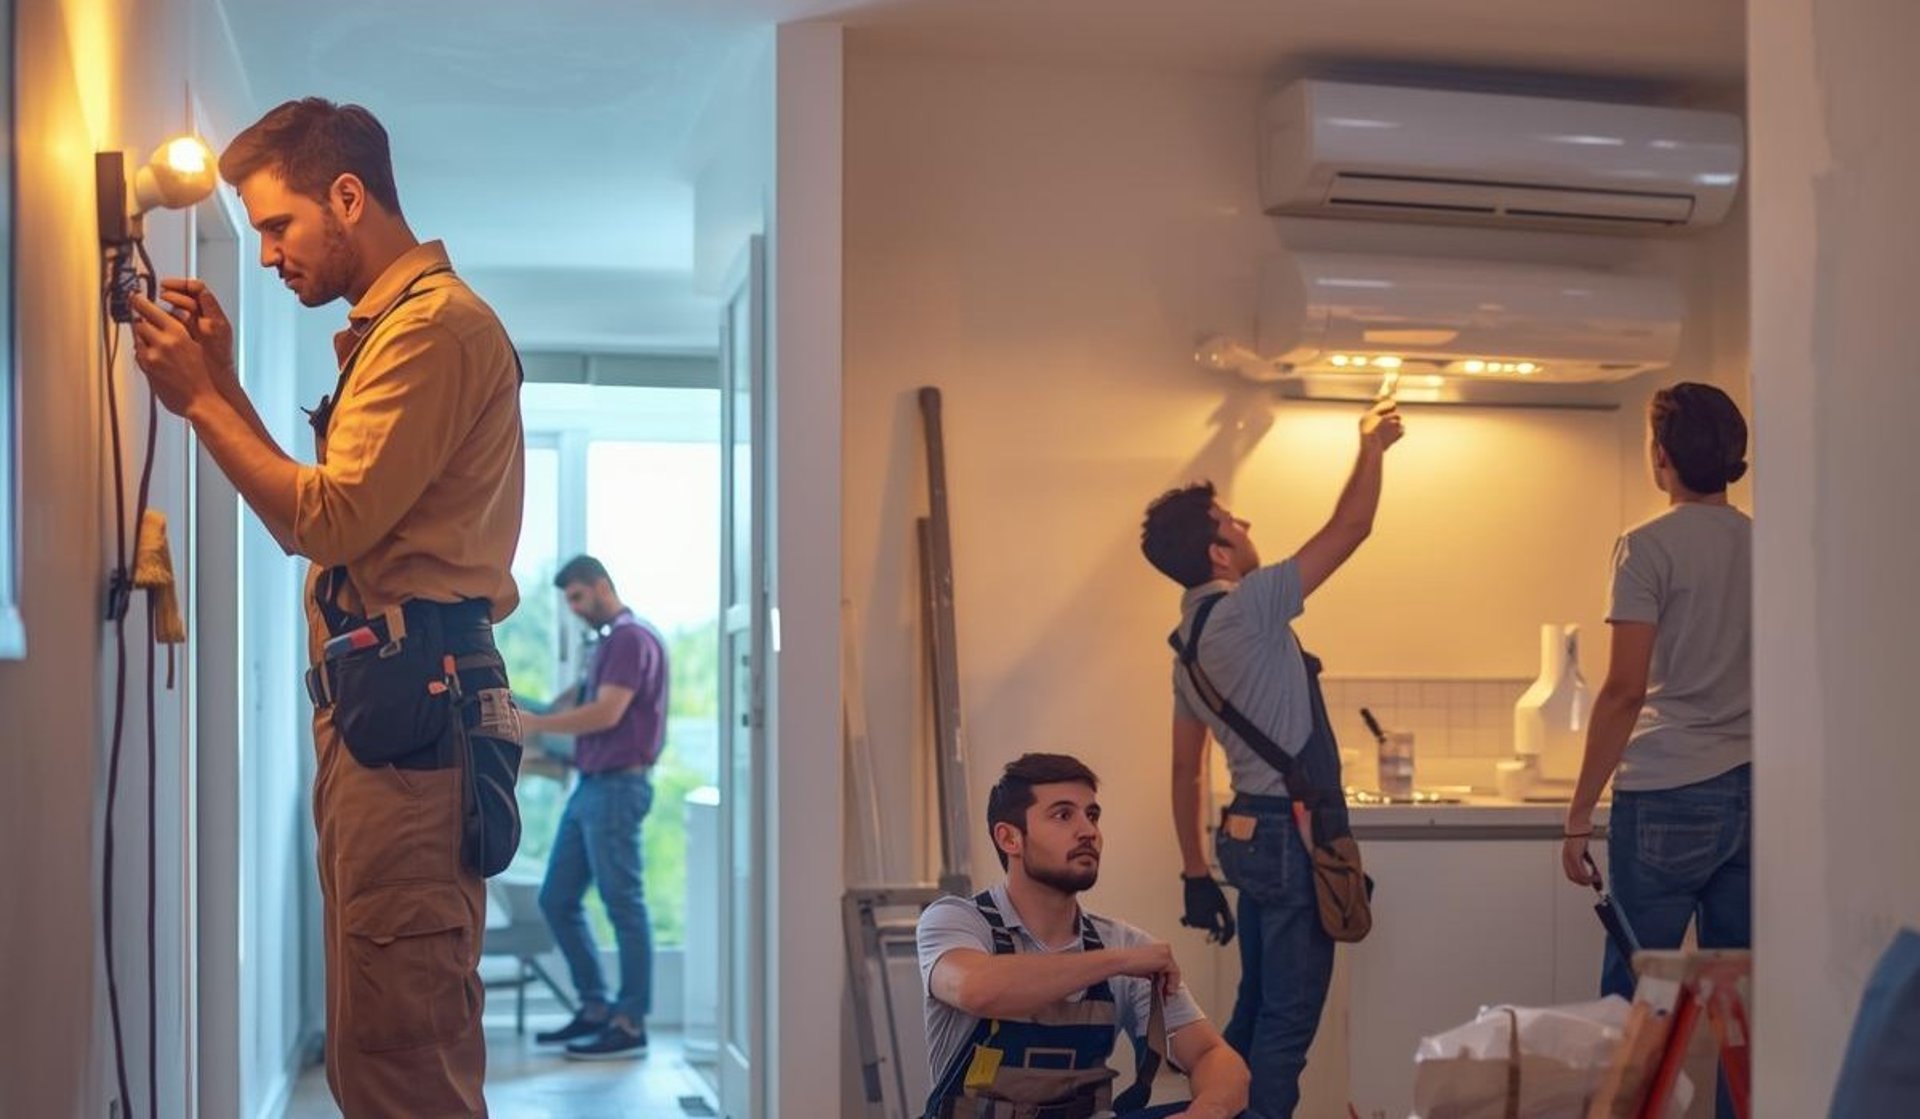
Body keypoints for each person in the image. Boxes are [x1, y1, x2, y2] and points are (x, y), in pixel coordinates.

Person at [129, 98, 525, 1115]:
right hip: (388, 719)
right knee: (376, 1050)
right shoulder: (402, 329)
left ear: (347, 196)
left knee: (403, 1063)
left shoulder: (432, 331)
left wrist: (203, 403)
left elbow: (330, 519)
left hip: (407, 729)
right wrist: (219, 381)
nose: (265, 255)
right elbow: (346, 510)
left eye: (276, 225)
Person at [1141, 398, 1404, 1119]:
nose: (1247, 526)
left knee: (1254, 1013)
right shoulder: (1250, 605)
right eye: (1234, 521)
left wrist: (1196, 871)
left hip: (1245, 836)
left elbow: (1184, 770)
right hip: (1291, 834)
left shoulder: (1186, 644)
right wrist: (1372, 444)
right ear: (1219, 554)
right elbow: (1352, 527)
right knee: (1286, 1025)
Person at [1561, 383, 1751, 1116]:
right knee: (1742, 1011)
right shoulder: (1768, 544)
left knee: (1637, 1003)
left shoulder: (1647, 545)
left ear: (1661, 457)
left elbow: (1623, 690)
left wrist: (1579, 814)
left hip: (1667, 788)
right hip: (1754, 788)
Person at [918, 753, 1249, 1119]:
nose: (1088, 831)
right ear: (1009, 838)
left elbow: (1213, 1056)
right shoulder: (956, 921)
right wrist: (1118, 962)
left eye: (1091, 816)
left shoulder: (1123, 942)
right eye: (1063, 815)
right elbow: (978, 990)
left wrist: (1207, 1113)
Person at [518, 555, 670, 1060]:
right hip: (591, 786)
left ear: (602, 586)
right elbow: (580, 701)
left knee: (623, 904)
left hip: (617, 787)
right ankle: (595, 1009)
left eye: (578, 597)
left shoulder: (630, 638)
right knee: (556, 899)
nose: (575, 609)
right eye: (568, 602)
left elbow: (607, 713)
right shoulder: (607, 643)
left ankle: (629, 1023)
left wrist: (535, 727)